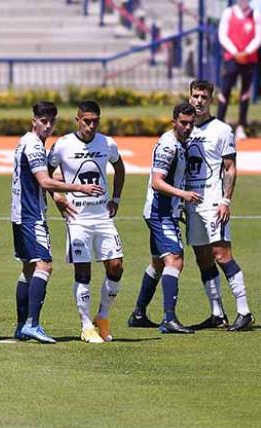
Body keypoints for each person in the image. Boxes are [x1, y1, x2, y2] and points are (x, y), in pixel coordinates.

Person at [11, 101, 104, 344]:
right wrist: (79, 188)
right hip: (31, 215)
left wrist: (60, 190)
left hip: (19, 214)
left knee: (29, 268)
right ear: (34, 120)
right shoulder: (34, 145)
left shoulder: (26, 141)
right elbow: (44, 181)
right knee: (44, 266)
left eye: (51, 122)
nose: (48, 126)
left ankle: (21, 326)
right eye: (43, 121)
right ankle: (32, 324)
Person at [48, 101, 125, 344]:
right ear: (78, 120)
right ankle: (86, 326)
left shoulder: (107, 143)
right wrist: (58, 198)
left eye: (95, 121)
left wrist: (115, 199)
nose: (91, 126)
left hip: (102, 217)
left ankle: (102, 317)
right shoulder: (62, 145)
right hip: (77, 219)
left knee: (116, 266)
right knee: (83, 272)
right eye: (86, 121)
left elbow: (119, 168)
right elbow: (45, 175)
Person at [184, 80, 254, 331]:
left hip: (214, 203)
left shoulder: (222, 130)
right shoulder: (185, 128)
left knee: (222, 255)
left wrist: (225, 200)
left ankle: (244, 312)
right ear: (190, 97)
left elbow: (230, 168)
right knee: (202, 257)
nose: (199, 101)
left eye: (204, 97)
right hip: (192, 204)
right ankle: (217, 313)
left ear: (211, 100)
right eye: (195, 96)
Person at [128, 103, 202, 334]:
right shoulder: (168, 146)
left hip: (165, 211)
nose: (187, 127)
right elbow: (157, 182)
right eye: (183, 123)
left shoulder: (180, 143)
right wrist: (183, 195)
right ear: (174, 122)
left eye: (191, 123)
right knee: (175, 260)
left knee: (158, 263)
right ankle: (169, 319)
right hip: (160, 213)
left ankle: (138, 314)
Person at [217, 0, 261, 139]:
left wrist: (247, 52)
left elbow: (258, 37)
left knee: (245, 92)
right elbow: (222, 35)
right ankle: (219, 125)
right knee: (225, 91)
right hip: (231, 58)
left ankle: (241, 126)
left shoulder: (256, 14)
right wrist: (235, 52)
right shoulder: (228, 13)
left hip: (249, 59)